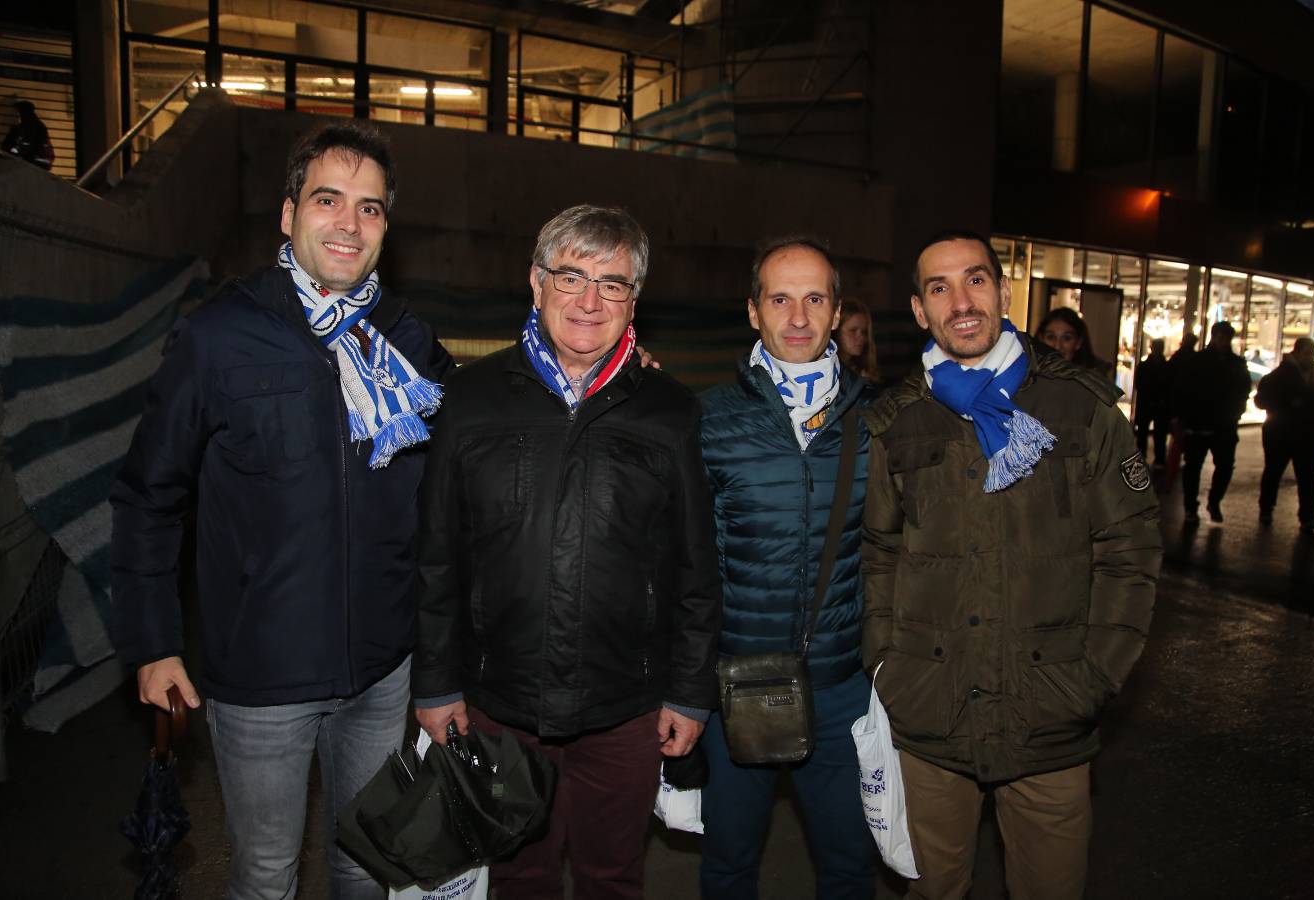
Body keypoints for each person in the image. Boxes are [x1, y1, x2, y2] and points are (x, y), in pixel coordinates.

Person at [111, 121, 452, 899]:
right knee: (265, 880)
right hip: (261, 676)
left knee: (367, 869)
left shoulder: (407, 341)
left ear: (385, 228)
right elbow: (147, 496)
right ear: (288, 213)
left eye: (369, 208)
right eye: (328, 200)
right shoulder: (217, 336)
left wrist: (607, 365)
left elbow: (467, 467)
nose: (348, 222)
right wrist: (152, 642)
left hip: (381, 670)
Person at [413, 205, 721, 900]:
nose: (588, 301)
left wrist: (689, 692)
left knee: (612, 877)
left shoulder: (670, 410)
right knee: (519, 876)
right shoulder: (470, 397)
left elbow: (695, 567)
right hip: (500, 701)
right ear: (535, 282)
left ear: (632, 299)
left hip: (626, 706)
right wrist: (435, 683)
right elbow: (438, 555)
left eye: (612, 284)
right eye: (570, 277)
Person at [862, 230, 1161, 900]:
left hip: (1049, 715)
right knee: (931, 890)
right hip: (931, 714)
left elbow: (1131, 548)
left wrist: (1093, 675)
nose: (959, 300)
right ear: (918, 310)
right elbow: (878, 551)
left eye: (974, 279)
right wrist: (887, 665)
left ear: (1001, 290)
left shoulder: (1081, 409)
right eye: (937, 287)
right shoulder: (897, 420)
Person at [698, 237, 876, 900]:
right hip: (733, 686)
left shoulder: (877, 418)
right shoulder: (708, 418)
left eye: (814, 298)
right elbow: (684, 562)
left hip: (839, 689)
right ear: (752, 311)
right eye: (779, 298)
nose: (796, 316)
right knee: (728, 864)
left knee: (848, 866)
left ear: (835, 313)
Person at [1171, 321, 1251, 524]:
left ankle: (1201, 504)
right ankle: (1202, 504)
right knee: (1204, 466)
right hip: (1210, 422)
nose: (1224, 342)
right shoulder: (1232, 363)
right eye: (1222, 338)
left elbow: (1183, 389)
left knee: (1205, 466)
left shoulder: (1201, 361)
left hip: (1210, 422)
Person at [1255, 337, 1314, 531]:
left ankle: (1291, 513)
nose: (1311, 357)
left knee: (1287, 473)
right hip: (1291, 433)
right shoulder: (1309, 377)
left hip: (1292, 433)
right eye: (1308, 353)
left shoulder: (1283, 375)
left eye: (1312, 354)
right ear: (1298, 353)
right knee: (1296, 475)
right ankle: (1303, 516)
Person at [1034, 306, 1111, 378]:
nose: (1057, 346)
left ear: (1078, 342)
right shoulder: (1027, 377)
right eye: (1051, 337)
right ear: (1041, 338)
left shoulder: (1092, 382)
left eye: (1067, 338)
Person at [1133, 338, 1170, 465]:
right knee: (1158, 434)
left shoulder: (1145, 366)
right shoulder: (1166, 366)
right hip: (1156, 404)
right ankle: (1158, 459)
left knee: (1146, 432)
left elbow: (1139, 385)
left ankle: (1145, 457)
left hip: (1148, 403)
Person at [837, 297, 882, 384]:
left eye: (864, 332)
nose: (861, 338)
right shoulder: (832, 374)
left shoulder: (862, 370)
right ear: (836, 331)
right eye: (853, 331)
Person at [2, 99, 54, 170]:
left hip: (35, 162)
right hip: (35, 162)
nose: (19, 116)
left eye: (20, 113)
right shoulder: (26, 126)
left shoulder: (34, 126)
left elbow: (33, 147)